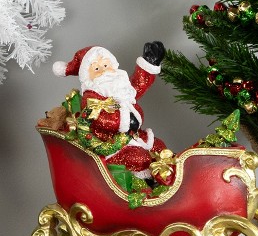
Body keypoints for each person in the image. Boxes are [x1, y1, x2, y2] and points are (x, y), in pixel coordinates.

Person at [52, 42, 171, 180]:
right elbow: (100, 119)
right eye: (96, 68)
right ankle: (144, 184)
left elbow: (137, 85)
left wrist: (149, 63)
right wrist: (124, 121)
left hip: (134, 136)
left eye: (105, 65)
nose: (103, 71)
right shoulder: (92, 97)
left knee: (160, 147)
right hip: (112, 145)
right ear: (88, 77)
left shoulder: (121, 87)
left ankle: (168, 177)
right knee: (140, 158)